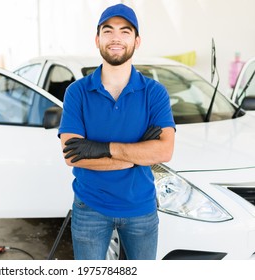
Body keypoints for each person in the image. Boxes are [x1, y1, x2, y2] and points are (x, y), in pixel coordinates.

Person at [58, 3, 176, 260]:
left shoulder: (154, 93)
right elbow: (72, 156)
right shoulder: (77, 92)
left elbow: (164, 151)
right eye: (108, 30)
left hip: (141, 208)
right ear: (98, 39)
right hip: (90, 207)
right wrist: (137, 155)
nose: (116, 38)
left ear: (137, 40)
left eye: (125, 31)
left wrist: (103, 148)